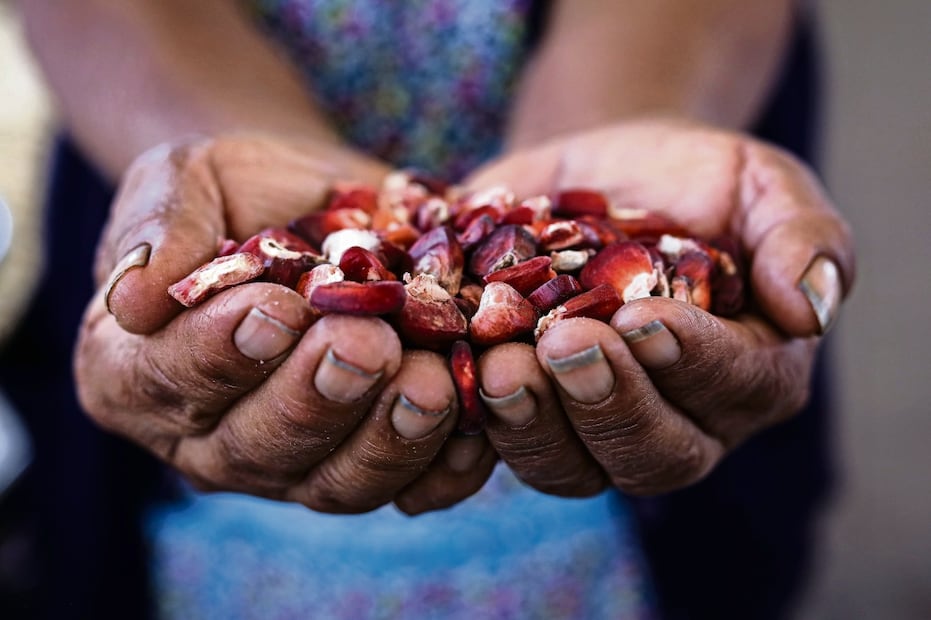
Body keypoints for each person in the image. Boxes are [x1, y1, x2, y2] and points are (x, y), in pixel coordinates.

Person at [2, 1, 854, 618]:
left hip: (644, 77)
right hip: (189, 100)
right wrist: (201, 138)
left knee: (686, 512)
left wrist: (626, 113)